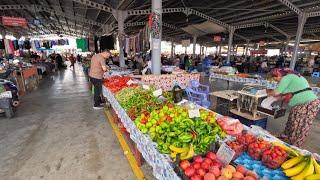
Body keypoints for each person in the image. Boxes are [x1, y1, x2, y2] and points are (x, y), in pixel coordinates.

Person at [267, 68, 320, 147]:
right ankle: (285, 138)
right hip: (306, 104)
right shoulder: (293, 76)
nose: (276, 81)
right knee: (291, 122)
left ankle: (294, 147)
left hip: (307, 104)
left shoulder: (286, 78)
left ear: (278, 75)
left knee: (299, 127)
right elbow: (287, 94)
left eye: (275, 79)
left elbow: (276, 92)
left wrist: (267, 92)